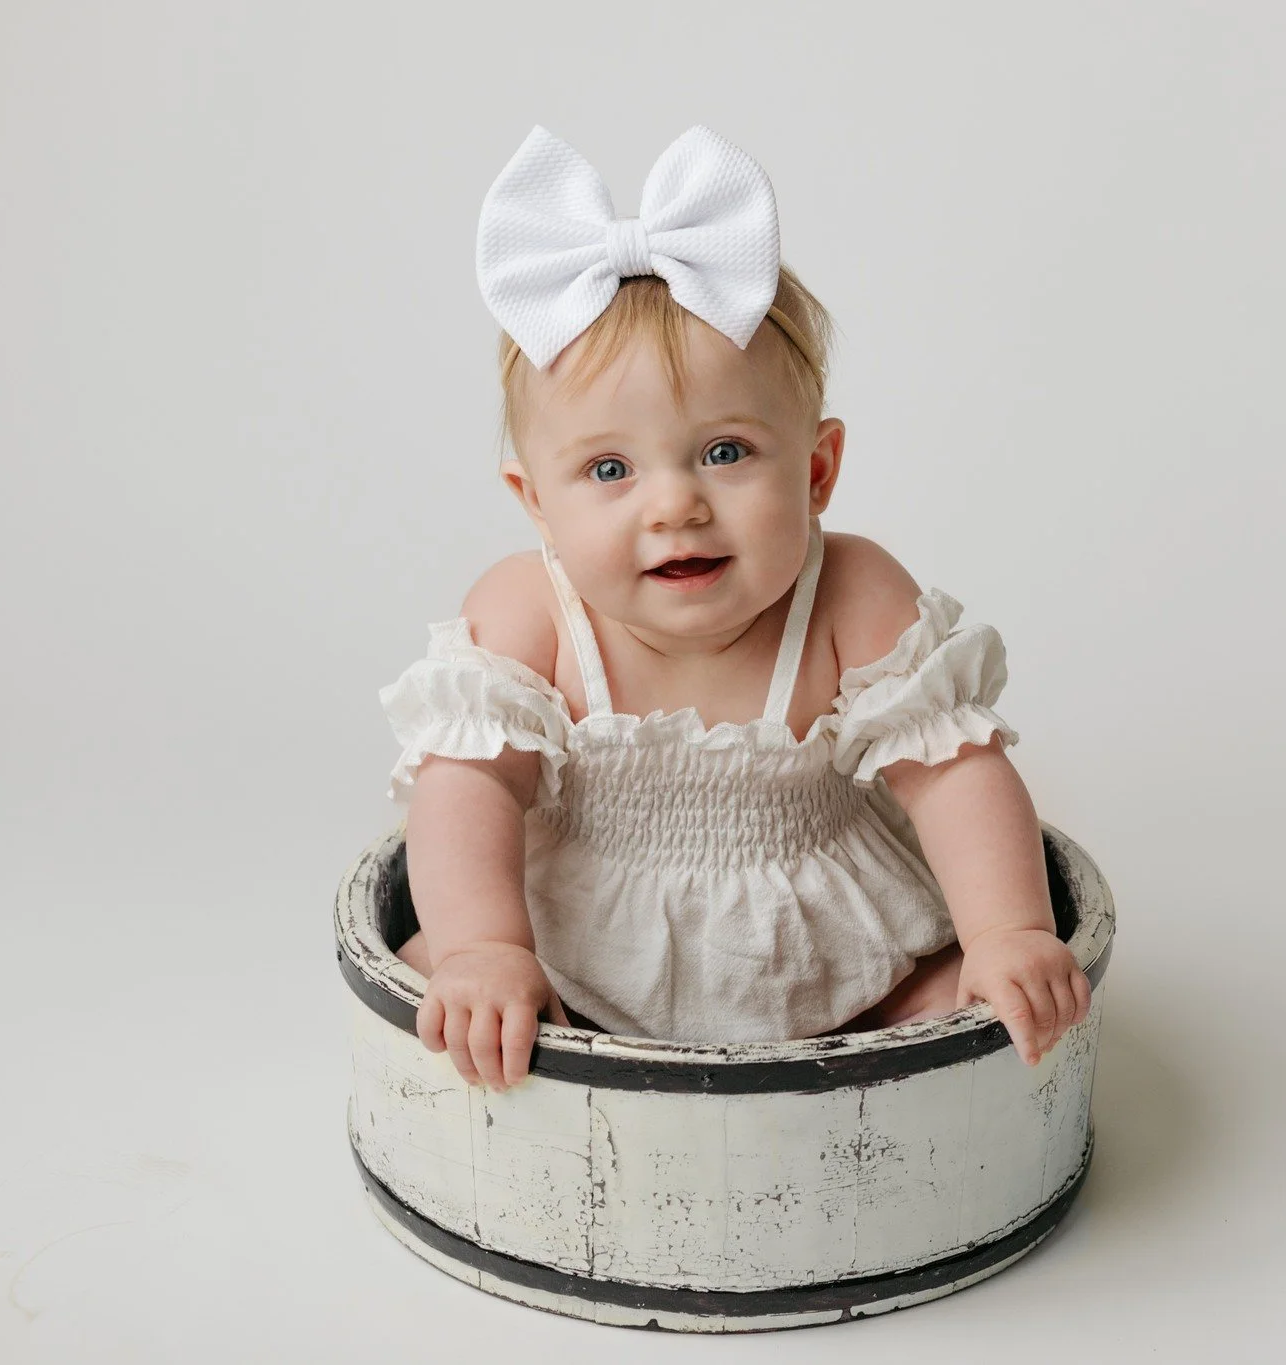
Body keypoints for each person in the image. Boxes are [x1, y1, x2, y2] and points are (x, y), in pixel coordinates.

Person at [378, 125, 1089, 1091]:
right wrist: (483, 948)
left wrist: (1008, 928)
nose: (675, 504)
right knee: (445, 978)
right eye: (609, 469)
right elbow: (467, 791)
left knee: (947, 999)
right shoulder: (526, 611)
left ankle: (901, 1028)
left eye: (725, 452)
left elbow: (954, 771)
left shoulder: (853, 593)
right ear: (535, 501)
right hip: (577, 952)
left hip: (830, 962)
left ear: (818, 469)